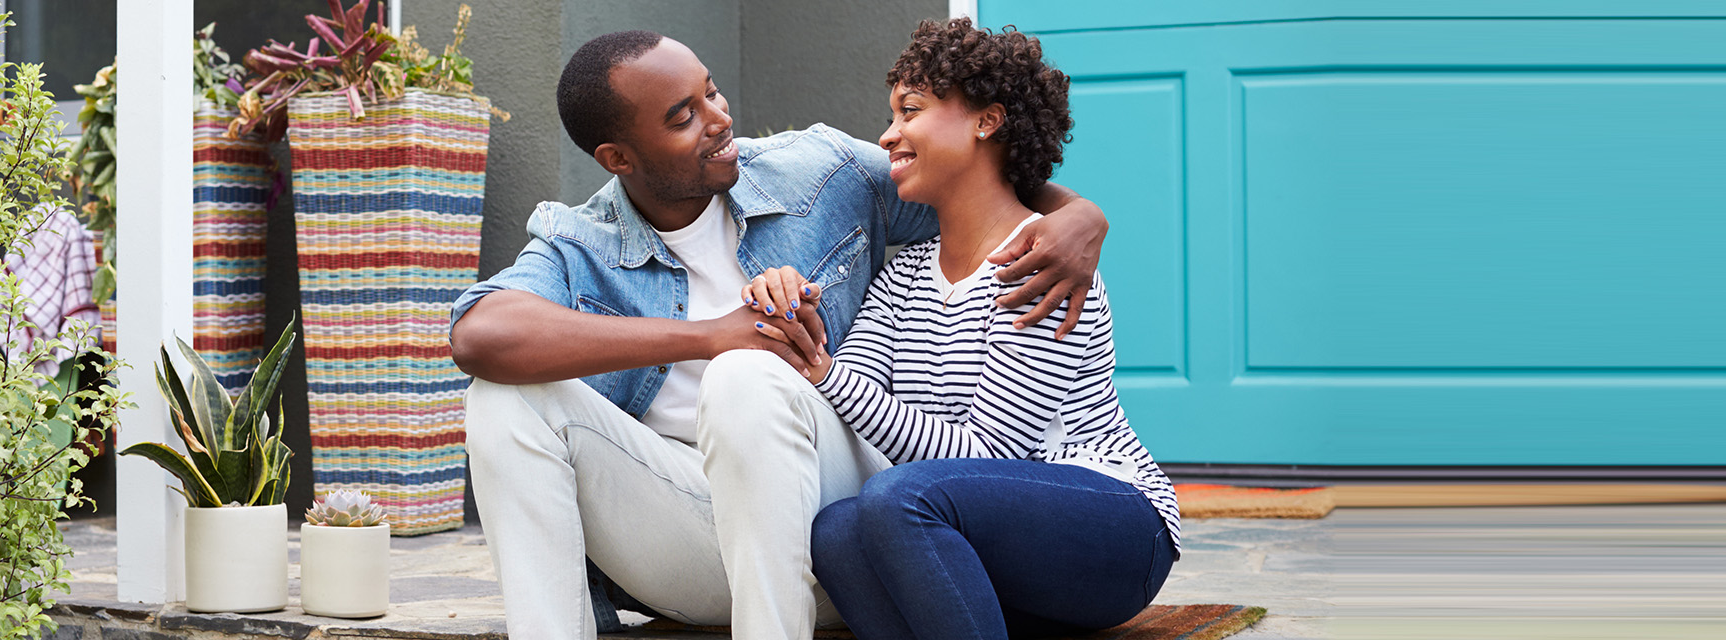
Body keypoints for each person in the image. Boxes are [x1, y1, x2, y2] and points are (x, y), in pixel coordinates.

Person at [448, 30, 1113, 640]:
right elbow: (481, 335)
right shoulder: (579, 241)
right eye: (683, 116)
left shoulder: (818, 173)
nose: (719, 119)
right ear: (618, 157)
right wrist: (709, 337)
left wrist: (1080, 215)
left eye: (711, 92)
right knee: (503, 397)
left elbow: (969, 171)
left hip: (843, 525)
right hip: (691, 538)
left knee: (750, 375)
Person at [741, 18, 1182, 640]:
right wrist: (806, 339)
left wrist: (828, 376)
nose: (889, 134)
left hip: (1114, 529)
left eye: (911, 111)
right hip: (987, 538)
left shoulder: (1040, 265)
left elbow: (987, 456)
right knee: (836, 532)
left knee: (899, 499)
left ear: (987, 121)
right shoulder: (904, 278)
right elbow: (857, 398)